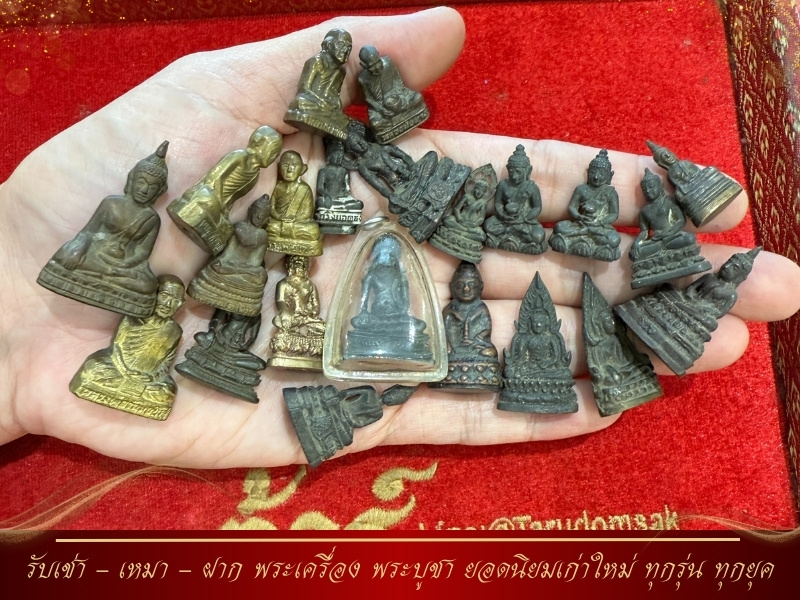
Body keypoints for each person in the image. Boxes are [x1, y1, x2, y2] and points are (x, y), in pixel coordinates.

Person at [2, 9, 799, 468]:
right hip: (304, 264)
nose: (467, 285)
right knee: (345, 292)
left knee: (441, 300)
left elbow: (507, 225)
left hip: (399, 271)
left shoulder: (511, 214)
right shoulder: (252, 198)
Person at [37, 141, 169, 318]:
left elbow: (143, 253)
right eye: (141, 182)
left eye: (152, 187)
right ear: (132, 180)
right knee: (65, 255)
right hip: (95, 256)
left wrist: (125, 265)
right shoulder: (110, 203)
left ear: (159, 191)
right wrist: (78, 250)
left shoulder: (152, 218)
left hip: (121, 266)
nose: (145, 190)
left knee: (148, 285)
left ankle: (101, 276)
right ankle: (103, 275)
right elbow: (88, 232)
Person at [69, 275, 185, 421]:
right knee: (93, 368)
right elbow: (116, 348)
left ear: (181, 304)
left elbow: (165, 364)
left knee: (167, 392)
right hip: (119, 369)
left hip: (146, 381)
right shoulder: (132, 318)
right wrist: (125, 371)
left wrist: (151, 377)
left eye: (176, 301)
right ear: (153, 295)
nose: (168, 304)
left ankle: (128, 392)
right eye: (164, 296)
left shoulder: (175, 331)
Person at [187, 193, 270, 317]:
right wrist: (227, 264)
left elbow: (256, 260)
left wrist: (246, 269)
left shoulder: (263, 235)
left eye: (262, 215)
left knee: (261, 275)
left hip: (247, 269)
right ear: (251, 210)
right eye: (257, 212)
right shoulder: (239, 227)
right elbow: (228, 253)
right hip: (230, 263)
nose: (259, 216)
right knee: (216, 266)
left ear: (266, 218)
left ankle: (238, 294)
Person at [549, 149, 622, 261]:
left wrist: (600, 222)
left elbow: (614, 214)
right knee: (559, 227)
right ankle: (583, 235)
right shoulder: (581, 189)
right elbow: (572, 207)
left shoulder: (610, 193)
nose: (596, 177)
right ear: (588, 172)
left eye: (601, 173)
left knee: (613, 239)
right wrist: (579, 216)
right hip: (580, 223)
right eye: (593, 172)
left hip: (599, 227)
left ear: (609, 176)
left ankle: (581, 235)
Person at [284, 28, 353, 139]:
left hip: (326, 106)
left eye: (349, 48)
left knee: (343, 118)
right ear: (329, 45)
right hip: (311, 101)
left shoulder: (340, 71)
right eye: (341, 45)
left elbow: (334, 94)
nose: (345, 50)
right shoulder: (315, 62)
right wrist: (320, 102)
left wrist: (335, 103)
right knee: (300, 102)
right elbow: (304, 89)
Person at [483, 145, 546, 255]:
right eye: (511, 172)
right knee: (487, 225)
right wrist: (503, 214)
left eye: (518, 172)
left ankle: (508, 233)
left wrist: (525, 217)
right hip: (504, 220)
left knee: (538, 236)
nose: (514, 176)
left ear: (528, 170)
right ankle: (512, 232)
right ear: (508, 169)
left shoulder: (531, 187)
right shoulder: (503, 184)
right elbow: (498, 203)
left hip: (523, 222)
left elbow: (537, 207)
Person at [266, 151, 322, 256]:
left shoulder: (304, 189)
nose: (289, 169)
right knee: (269, 226)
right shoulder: (277, 186)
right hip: (278, 223)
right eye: (285, 165)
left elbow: (307, 213)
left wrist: (294, 219)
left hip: (297, 224)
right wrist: (279, 216)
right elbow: (272, 208)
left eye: (294, 165)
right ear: (279, 167)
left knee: (313, 230)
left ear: (302, 169)